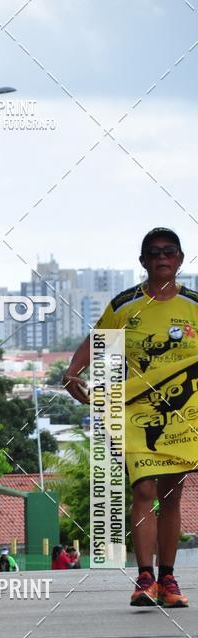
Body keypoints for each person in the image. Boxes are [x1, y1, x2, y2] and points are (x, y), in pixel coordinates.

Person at [62, 227, 198, 608]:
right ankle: (145, 578)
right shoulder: (125, 306)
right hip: (135, 412)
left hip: (183, 415)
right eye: (153, 252)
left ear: (180, 259)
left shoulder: (194, 306)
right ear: (143, 261)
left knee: (172, 493)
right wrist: (73, 370)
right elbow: (96, 340)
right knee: (144, 489)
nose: (162, 258)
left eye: (169, 251)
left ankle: (168, 578)